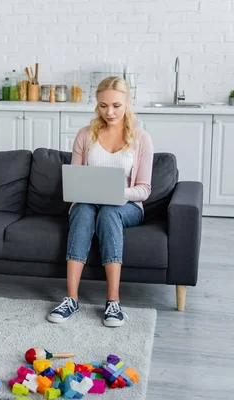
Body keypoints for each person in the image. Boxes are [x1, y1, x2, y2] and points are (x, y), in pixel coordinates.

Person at [47, 77, 154, 328]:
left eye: (116, 105)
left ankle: (113, 302)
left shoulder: (141, 139)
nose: (110, 112)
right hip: (88, 202)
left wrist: (119, 192)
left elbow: (144, 189)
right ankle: (71, 298)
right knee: (83, 211)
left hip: (125, 207)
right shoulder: (86, 135)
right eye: (104, 105)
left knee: (108, 212)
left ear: (128, 104)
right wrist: (85, 193)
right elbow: (75, 179)